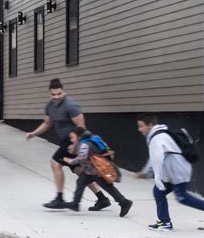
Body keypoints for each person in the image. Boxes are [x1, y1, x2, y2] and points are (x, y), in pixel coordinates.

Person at [134, 117, 204, 231]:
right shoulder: (159, 134)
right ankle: (165, 222)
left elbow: (155, 160)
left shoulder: (157, 138)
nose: (139, 129)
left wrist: (145, 173)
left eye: (141, 126)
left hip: (177, 172)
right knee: (159, 192)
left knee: (182, 197)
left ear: (150, 125)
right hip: (174, 172)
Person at [24, 78, 88, 208]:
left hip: (72, 141)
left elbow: (82, 127)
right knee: (79, 170)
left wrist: (76, 146)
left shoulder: (70, 106)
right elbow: (48, 123)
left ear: (63, 92)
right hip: (66, 142)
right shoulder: (50, 106)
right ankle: (103, 198)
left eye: (59, 94)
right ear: (49, 93)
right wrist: (34, 133)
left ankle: (59, 199)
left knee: (55, 164)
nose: (56, 97)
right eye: (53, 94)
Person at [67, 128, 133, 217]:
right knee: (80, 183)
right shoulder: (92, 138)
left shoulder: (84, 144)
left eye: (72, 137)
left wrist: (70, 161)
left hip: (97, 171)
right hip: (90, 171)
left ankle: (124, 202)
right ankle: (75, 203)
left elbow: (81, 158)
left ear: (78, 137)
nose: (71, 140)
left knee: (109, 188)